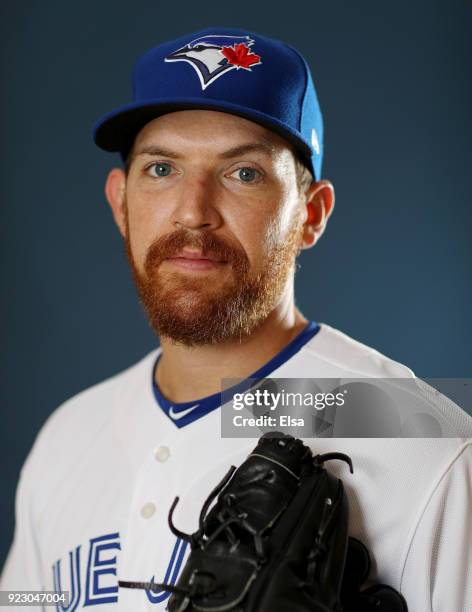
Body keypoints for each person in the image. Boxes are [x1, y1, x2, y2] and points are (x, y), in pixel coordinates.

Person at [1, 27, 471, 612]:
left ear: (311, 215)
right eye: (161, 169)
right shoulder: (69, 434)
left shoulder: (419, 435)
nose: (193, 212)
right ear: (120, 202)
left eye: (243, 173)